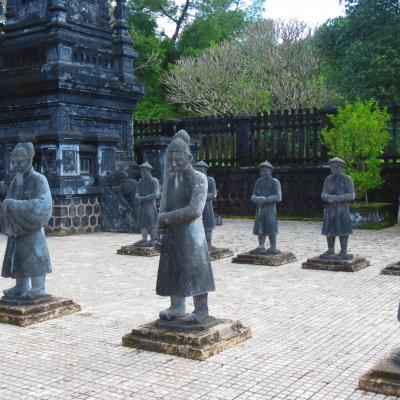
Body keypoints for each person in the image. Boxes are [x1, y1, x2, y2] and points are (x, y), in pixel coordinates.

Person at [156, 130, 215, 324]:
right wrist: (159, 232)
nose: (174, 164)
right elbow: (165, 205)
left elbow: (195, 210)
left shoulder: (199, 178)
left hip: (192, 233)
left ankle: (201, 309)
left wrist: (166, 218)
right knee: (174, 267)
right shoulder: (171, 179)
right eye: (171, 160)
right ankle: (177, 306)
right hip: (172, 232)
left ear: (189, 158)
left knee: (196, 268)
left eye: (178, 160)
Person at [1, 142, 53, 300]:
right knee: (18, 255)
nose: (16, 165)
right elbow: (9, 199)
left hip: (32, 227)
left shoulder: (39, 179)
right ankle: (21, 286)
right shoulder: (16, 180)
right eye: (14, 162)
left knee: (34, 255)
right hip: (18, 226)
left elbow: (43, 204)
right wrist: (8, 206)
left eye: (20, 162)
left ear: (29, 160)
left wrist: (14, 205)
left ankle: (38, 287)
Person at [320, 157, 355, 259]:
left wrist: (336, 198)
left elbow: (352, 195)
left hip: (342, 208)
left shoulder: (347, 179)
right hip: (330, 209)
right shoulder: (328, 179)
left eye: (334, 167)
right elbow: (323, 194)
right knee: (329, 229)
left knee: (343, 229)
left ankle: (344, 251)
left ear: (340, 167)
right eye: (331, 167)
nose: (332, 169)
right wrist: (327, 197)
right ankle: (330, 249)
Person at [251, 160, 282, 255]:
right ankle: (261, 246)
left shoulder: (275, 182)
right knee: (260, 226)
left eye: (265, 171)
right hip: (260, 208)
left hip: (270, 209)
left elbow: (278, 197)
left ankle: (273, 246)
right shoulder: (258, 182)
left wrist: (266, 199)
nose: (263, 173)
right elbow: (253, 195)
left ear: (270, 171)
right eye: (261, 171)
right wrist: (256, 198)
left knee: (271, 226)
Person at [134, 162, 160, 247]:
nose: (142, 173)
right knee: (142, 222)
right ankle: (144, 239)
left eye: (144, 171)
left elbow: (156, 194)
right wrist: (137, 196)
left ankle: (154, 238)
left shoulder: (154, 181)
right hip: (141, 206)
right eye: (141, 171)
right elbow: (137, 191)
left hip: (150, 206)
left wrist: (144, 198)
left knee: (151, 221)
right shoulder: (140, 181)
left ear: (149, 171)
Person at [194, 161, 217, 249]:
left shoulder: (210, 180)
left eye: (200, 169)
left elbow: (213, 194)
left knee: (208, 226)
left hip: (207, 207)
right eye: (197, 168)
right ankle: (199, 245)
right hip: (196, 207)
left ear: (205, 169)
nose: (198, 170)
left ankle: (208, 244)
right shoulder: (194, 180)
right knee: (196, 226)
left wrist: (202, 197)